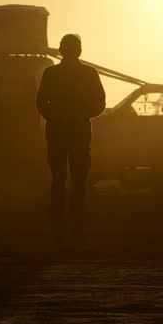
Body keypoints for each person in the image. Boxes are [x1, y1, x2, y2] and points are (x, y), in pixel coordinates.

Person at [36, 34, 106, 248]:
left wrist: (60, 116)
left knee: (61, 182)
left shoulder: (52, 73)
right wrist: (77, 116)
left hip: (62, 134)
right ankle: (74, 232)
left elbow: (41, 104)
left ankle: (61, 232)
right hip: (75, 134)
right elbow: (99, 104)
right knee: (75, 183)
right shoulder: (87, 74)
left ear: (60, 50)